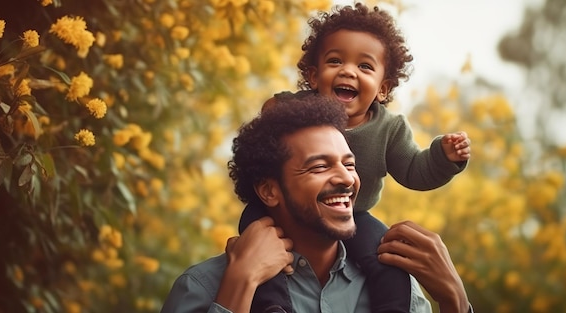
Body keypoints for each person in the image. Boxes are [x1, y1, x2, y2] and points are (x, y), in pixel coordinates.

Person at [237, 3, 471, 313]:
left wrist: (443, 156)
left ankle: (396, 307)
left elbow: (416, 170)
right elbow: (263, 140)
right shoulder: (295, 109)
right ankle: (272, 305)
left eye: (365, 66)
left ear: (383, 88)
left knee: (388, 257)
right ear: (314, 75)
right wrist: (271, 113)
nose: (348, 70)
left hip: (356, 216)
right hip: (283, 211)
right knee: (259, 240)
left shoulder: (389, 128)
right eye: (335, 61)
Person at [161, 92, 472, 313]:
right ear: (269, 191)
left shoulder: (397, 290)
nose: (346, 179)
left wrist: (454, 298)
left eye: (349, 165)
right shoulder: (203, 287)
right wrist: (240, 284)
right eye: (320, 167)